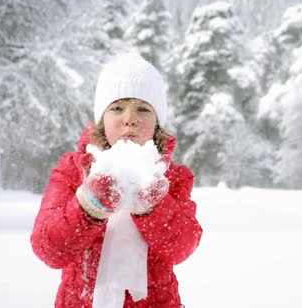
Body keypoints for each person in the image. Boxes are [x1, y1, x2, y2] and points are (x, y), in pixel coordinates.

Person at [31, 53, 203, 308]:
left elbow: (182, 247)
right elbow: (49, 249)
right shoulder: (73, 170)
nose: (129, 118)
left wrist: (154, 207)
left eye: (143, 109)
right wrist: (90, 205)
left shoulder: (172, 177)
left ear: (157, 122)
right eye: (117, 108)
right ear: (102, 118)